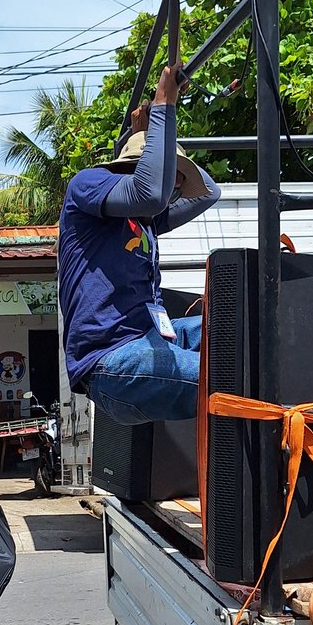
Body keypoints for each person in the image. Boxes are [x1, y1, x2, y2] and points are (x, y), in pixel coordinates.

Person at [57, 63, 221, 425]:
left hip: (152, 336)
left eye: (177, 184)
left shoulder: (148, 219)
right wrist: (164, 104)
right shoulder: (88, 184)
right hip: (111, 358)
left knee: (230, 328)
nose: (174, 190)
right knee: (231, 377)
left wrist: (152, 135)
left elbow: (209, 192)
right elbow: (148, 192)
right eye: (171, 179)